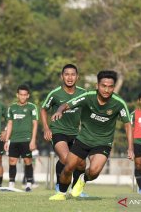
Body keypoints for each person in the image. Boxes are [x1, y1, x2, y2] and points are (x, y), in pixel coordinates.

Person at [49, 70, 134, 200]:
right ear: (97, 86)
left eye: (110, 86)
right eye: (103, 86)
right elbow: (66, 104)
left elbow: (128, 125)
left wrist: (130, 148)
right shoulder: (88, 96)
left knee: (94, 172)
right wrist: (59, 111)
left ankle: (82, 179)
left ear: (114, 87)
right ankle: (61, 194)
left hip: (103, 142)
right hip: (83, 140)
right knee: (68, 168)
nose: (106, 89)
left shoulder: (119, 103)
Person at [40, 64, 87, 196]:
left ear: (77, 77)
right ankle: (60, 186)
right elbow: (43, 109)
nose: (70, 77)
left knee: (81, 163)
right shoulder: (55, 93)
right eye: (67, 74)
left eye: (73, 74)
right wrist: (46, 128)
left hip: (76, 133)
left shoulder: (83, 93)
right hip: (58, 131)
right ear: (62, 76)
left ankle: (76, 189)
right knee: (67, 159)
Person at [4, 85, 38, 192]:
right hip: (14, 140)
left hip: (27, 139)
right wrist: (7, 140)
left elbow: (35, 124)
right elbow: (9, 124)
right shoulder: (12, 108)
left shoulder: (32, 107)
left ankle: (28, 184)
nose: (22, 97)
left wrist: (33, 140)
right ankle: (11, 184)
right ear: (17, 95)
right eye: (21, 95)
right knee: (12, 161)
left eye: (25, 95)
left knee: (28, 161)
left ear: (28, 96)